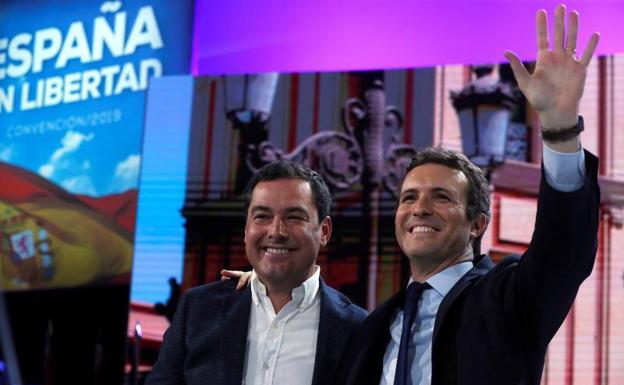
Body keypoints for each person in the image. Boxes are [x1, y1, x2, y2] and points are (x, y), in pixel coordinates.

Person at [342, 4, 600, 385]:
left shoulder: (509, 300)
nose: (419, 209)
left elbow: (564, 252)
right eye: (408, 197)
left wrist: (560, 128)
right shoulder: (373, 327)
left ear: (477, 224)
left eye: (441, 197)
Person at [146, 161, 367, 385]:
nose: (276, 231)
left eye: (294, 217)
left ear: (324, 231)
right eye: (262, 216)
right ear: (246, 229)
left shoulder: (358, 330)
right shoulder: (198, 309)